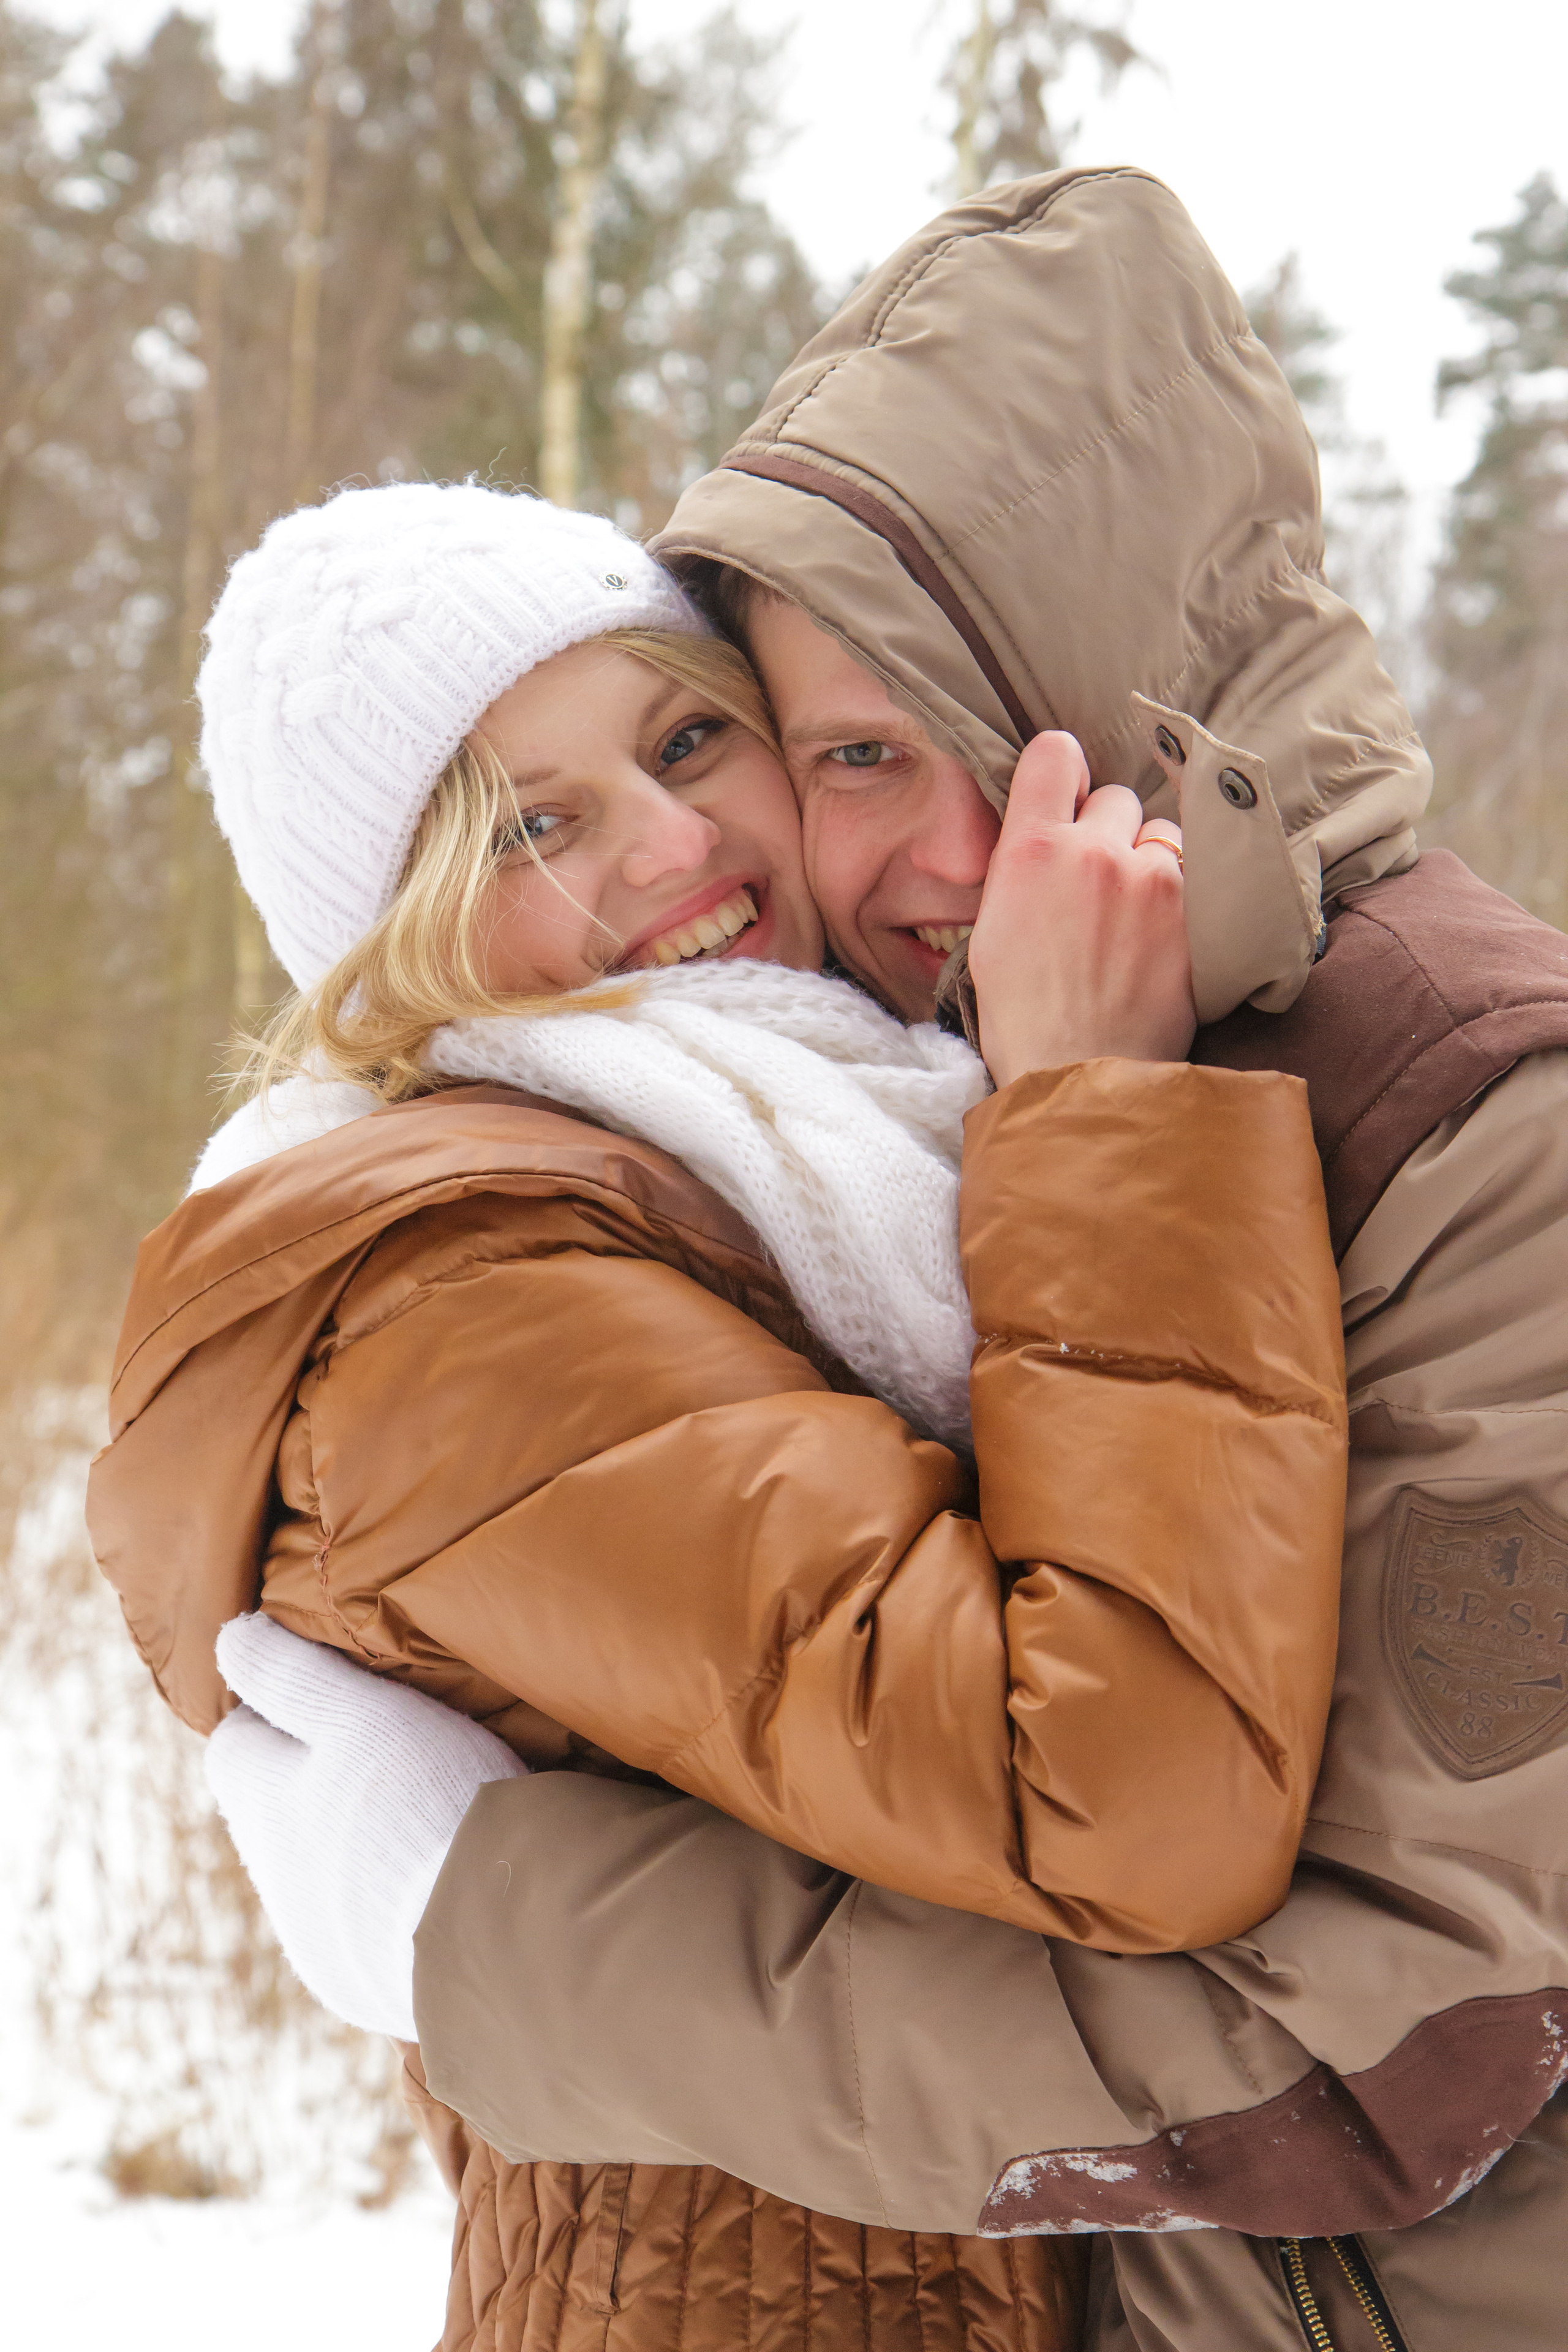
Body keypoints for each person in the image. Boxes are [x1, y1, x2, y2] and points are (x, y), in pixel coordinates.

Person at [193, 169, 1568, 2351]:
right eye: (841, 754)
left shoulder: (1486, 1126)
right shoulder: (743, 1176)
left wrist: (488, 1931)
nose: (888, 860)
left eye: (689, 748)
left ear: (1155, 706)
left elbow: (1368, 2047)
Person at [87, 477, 1347, 2352]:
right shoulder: (473, 1306)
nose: (676, 842)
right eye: (535, 824)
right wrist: (1107, 1116)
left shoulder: (816, 1145)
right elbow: (1123, 1794)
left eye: (690, 736)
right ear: (403, 934)